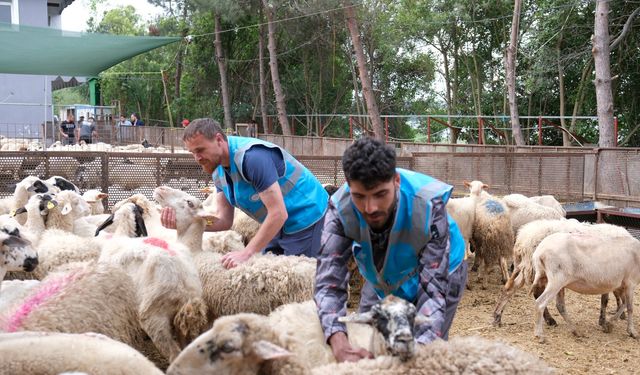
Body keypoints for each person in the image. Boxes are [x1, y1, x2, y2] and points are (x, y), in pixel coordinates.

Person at [315, 137, 467, 363]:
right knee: (366, 341)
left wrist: (420, 355)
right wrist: (337, 339)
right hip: (382, 273)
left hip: (439, 271)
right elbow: (329, 280)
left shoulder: (427, 206)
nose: (370, 208)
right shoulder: (339, 209)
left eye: (380, 194)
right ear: (348, 186)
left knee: (421, 352)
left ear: (396, 180)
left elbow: (433, 292)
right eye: (359, 196)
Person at [159, 118, 329, 269]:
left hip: (307, 217)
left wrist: (246, 253)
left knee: (298, 280)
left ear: (219, 139)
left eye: (200, 150)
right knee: (267, 275)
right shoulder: (218, 171)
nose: (197, 158)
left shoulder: (252, 158)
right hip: (278, 222)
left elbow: (278, 213)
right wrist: (184, 223)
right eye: (193, 153)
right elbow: (225, 221)